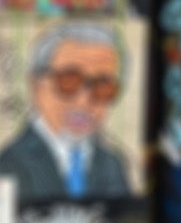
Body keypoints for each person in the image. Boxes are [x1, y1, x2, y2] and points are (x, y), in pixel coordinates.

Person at [0, 21, 133, 205]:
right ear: (36, 85)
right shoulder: (9, 164)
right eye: (69, 81)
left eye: (102, 86)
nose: (84, 101)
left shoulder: (112, 165)